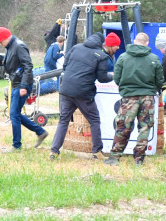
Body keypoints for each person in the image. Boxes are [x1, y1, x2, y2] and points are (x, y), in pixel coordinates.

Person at [49, 32, 119, 161]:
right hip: (83, 93)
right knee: (94, 120)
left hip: (66, 90)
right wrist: (114, 76)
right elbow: (103, 78)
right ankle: (97, 151)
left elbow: (65, 66)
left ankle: (54, 151)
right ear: (101, 43)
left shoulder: (75, 48)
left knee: (63, 121)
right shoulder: (101, 56)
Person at [105, 32, 164, 167]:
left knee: (123, 127)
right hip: (148, 98)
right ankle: (138, 159)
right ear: (147, 43)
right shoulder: (154, 58)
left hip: (128, 98)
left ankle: (114, 157)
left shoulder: (123, 58)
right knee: (144, 128)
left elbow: (117, 78)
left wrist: (126, 88)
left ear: (134, 41)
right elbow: (160, 80)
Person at [0, 26, 48, 152]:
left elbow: (28, 65)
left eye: (1, 42)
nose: (1, 45)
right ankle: (40, 132)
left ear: (6, 38)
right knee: (15, 114)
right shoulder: (11, 47)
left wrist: (24, 86)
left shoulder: (18, 46)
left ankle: (17, 145)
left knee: (14, 114)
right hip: (16, 84)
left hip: (21, 85)